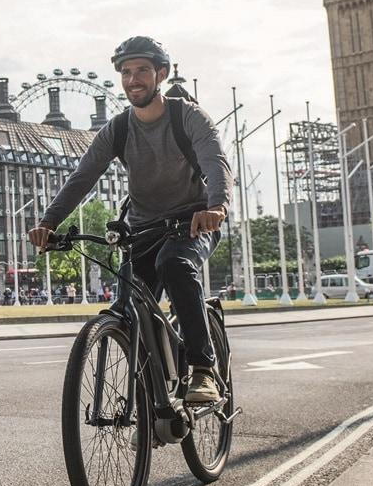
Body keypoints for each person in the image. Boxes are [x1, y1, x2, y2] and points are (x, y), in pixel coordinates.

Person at [29, 36, 232, 405]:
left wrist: (216, 206)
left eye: (142, 71)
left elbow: (215, 162)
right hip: (143, 227)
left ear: (161, 74)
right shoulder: (118, 129)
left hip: (193, 222)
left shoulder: (188, 116)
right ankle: (151, 406)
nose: (133, 79)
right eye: (126, 72)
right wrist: (49, 222)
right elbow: (82, 177)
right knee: (130, 309)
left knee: (174, 265)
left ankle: (203, 370)